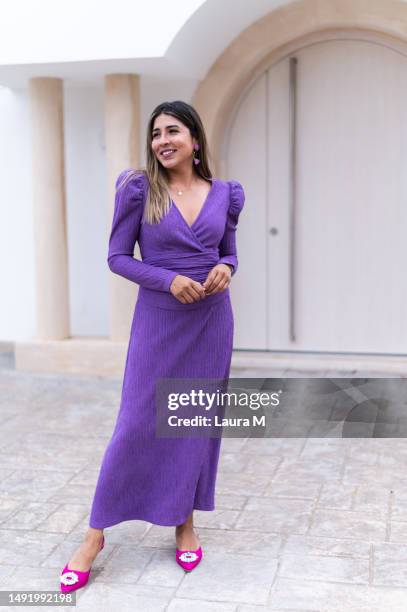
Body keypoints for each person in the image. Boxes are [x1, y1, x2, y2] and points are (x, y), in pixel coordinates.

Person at [60, 100, 245, 592]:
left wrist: (228, 267)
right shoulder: (140, 189)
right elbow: (117, 257)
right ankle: (94, 536)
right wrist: (168, 280)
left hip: (211, 322)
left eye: (173, 131)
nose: (163, 140)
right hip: (159, 323)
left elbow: (228, 252)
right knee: (137, 422)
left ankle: (184, 522)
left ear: (195, 140)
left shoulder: (225, 193)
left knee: (192, 422)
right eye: (156, 133)